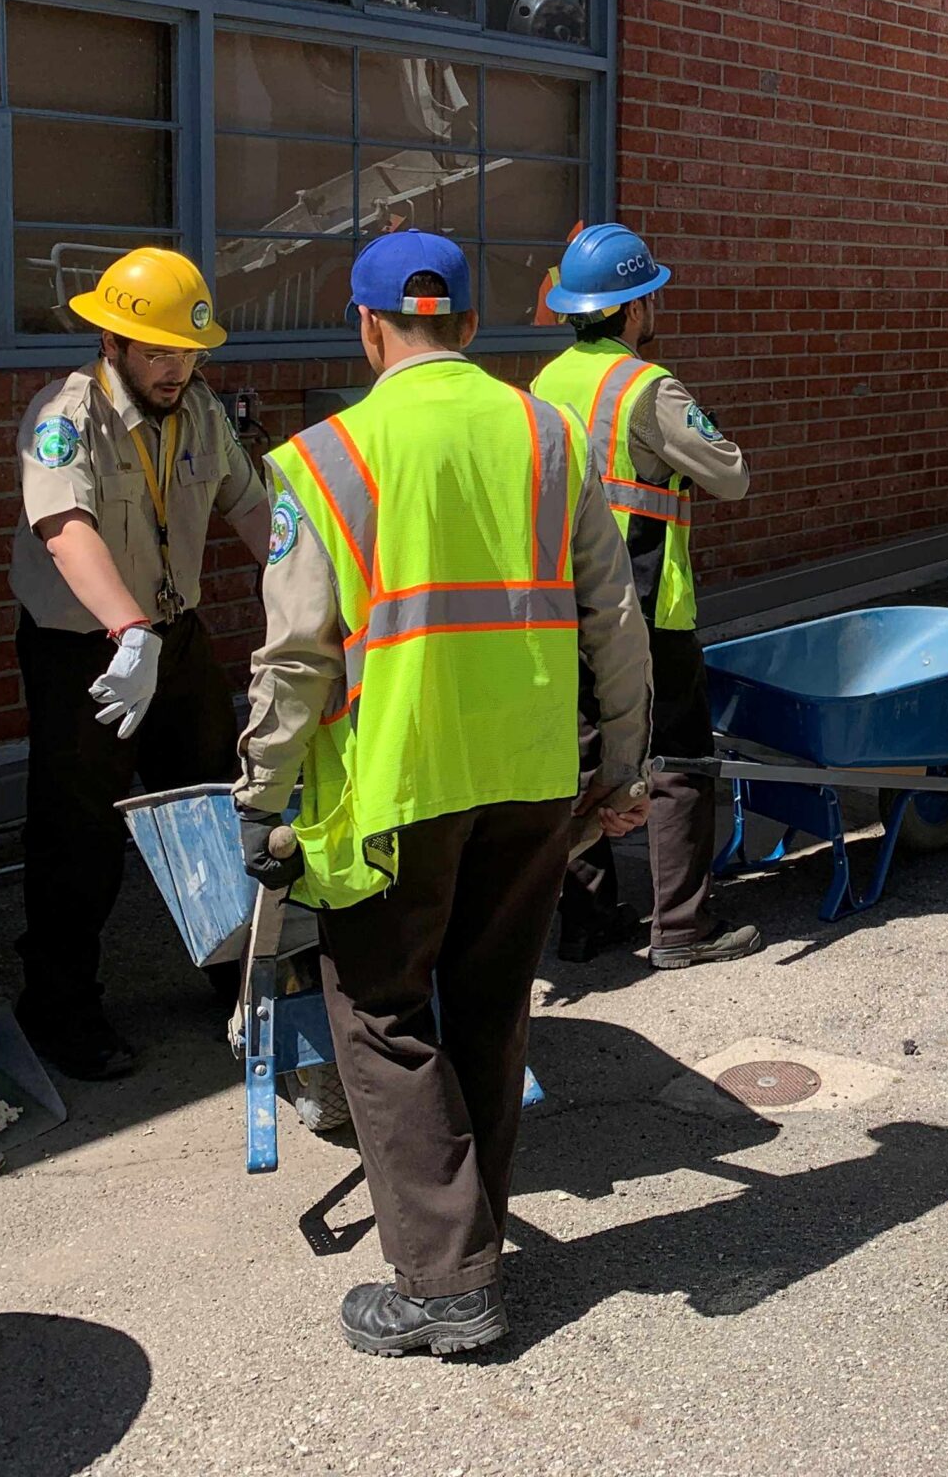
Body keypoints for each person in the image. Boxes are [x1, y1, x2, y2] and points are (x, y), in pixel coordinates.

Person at [233, 230, 654, 1357]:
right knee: (486, 1004)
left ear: (366, 327)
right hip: (530, 776)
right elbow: (613, 615)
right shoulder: (548, 433)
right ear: (469, 324)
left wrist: (261, 796)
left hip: (396, 785)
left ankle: (444, 1282)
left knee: (375, 1012)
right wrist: (622, 766)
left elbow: (295, 656)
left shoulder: (323, 459)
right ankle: (472, 1240)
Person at [11, 246, 269, 1080]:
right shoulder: (64, 416)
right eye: (157, 350)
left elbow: (252, 506)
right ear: (113, 341)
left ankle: (232, 977)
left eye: (188, 351)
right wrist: (127, 632)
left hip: (176, 636)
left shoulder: (200, 412)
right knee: (77, 836)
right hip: (87, 647)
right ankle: (59, 1009)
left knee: (211, 811)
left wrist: (320, 593)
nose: (175, 367)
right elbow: (65, 529)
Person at [534, 223, 760, 971]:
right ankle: (682, 927)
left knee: (586, 754)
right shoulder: (647, 386)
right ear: (634, 309)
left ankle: (588, 920)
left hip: (563, 601)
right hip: (645, 601)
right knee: (679, 759)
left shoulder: (543, 385)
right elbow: (730, 474)